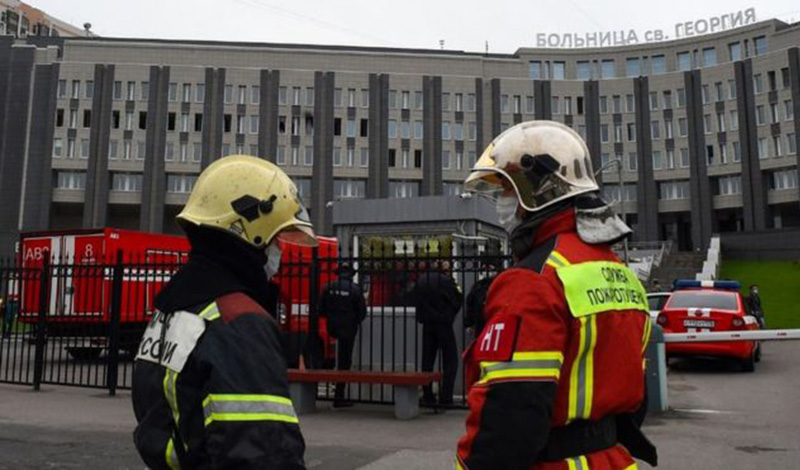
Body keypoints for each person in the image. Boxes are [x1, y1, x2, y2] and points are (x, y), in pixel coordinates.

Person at [456, 121, 657, 470]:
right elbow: (635, 396)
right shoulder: (623, 276)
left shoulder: (532, 281)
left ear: (535, 190)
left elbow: (511, 413)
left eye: (505, 190)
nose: (502, 203)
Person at [132, 155, 315, 470]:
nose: (280, 251)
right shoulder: (241, 324)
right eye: (275, 239)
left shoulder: (173, 309)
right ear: (251, 231)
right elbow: (265, 454)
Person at [413, 260, 462, 406]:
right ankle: (446, 397)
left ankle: (428, 397)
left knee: (427, 361)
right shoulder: (447, 281)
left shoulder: (422, 280)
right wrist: (449, 315)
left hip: (428, 324)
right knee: (450, 360)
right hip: (444, 324)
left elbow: (416, 300)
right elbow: (457, 299)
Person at [318, 263, 367, 407]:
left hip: (332, 327)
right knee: (345, 362)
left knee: (334, 359)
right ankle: (339, 396)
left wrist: (332, 318)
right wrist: (352, 320)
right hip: (349, 328)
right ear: (351, 275)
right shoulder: (355, 290)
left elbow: (321, 310)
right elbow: (362, 313)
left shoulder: (328, 287)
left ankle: (333, 394)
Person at [464, 261, 499, 336]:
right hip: (480, 321)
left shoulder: (499, 283)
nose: (486, 271)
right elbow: (470, 303)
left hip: (496, 320)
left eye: (489, 269)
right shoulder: (478, 285)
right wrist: (469, 323)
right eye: (484, 269)